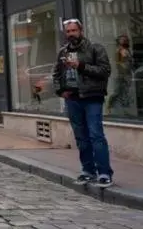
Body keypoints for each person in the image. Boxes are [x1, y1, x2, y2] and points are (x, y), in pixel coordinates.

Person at [53, 18, 114, 188]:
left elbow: (105, 71)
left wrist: (80, 66)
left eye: (74, 31)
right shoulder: (63, 52)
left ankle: (104, 173)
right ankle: (88, 171)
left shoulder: (95, 48)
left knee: (96, 135)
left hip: (92, 97)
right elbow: (56, 74)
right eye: (68, 32)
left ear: (81, 31)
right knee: (81, 137)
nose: (71, 34)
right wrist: (60, 91)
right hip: (73, 99)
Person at [106, 34, 134, 116]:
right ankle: (109, 106)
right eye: (123, 40)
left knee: (124, 92)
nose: (125, 41)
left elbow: (127, 62)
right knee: (117, 92)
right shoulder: (120, 51)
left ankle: (123, 109)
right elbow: (120, 63)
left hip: (126, 74)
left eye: (125, 40)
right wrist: (124, 70)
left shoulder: (126, 50)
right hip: (122, 75)